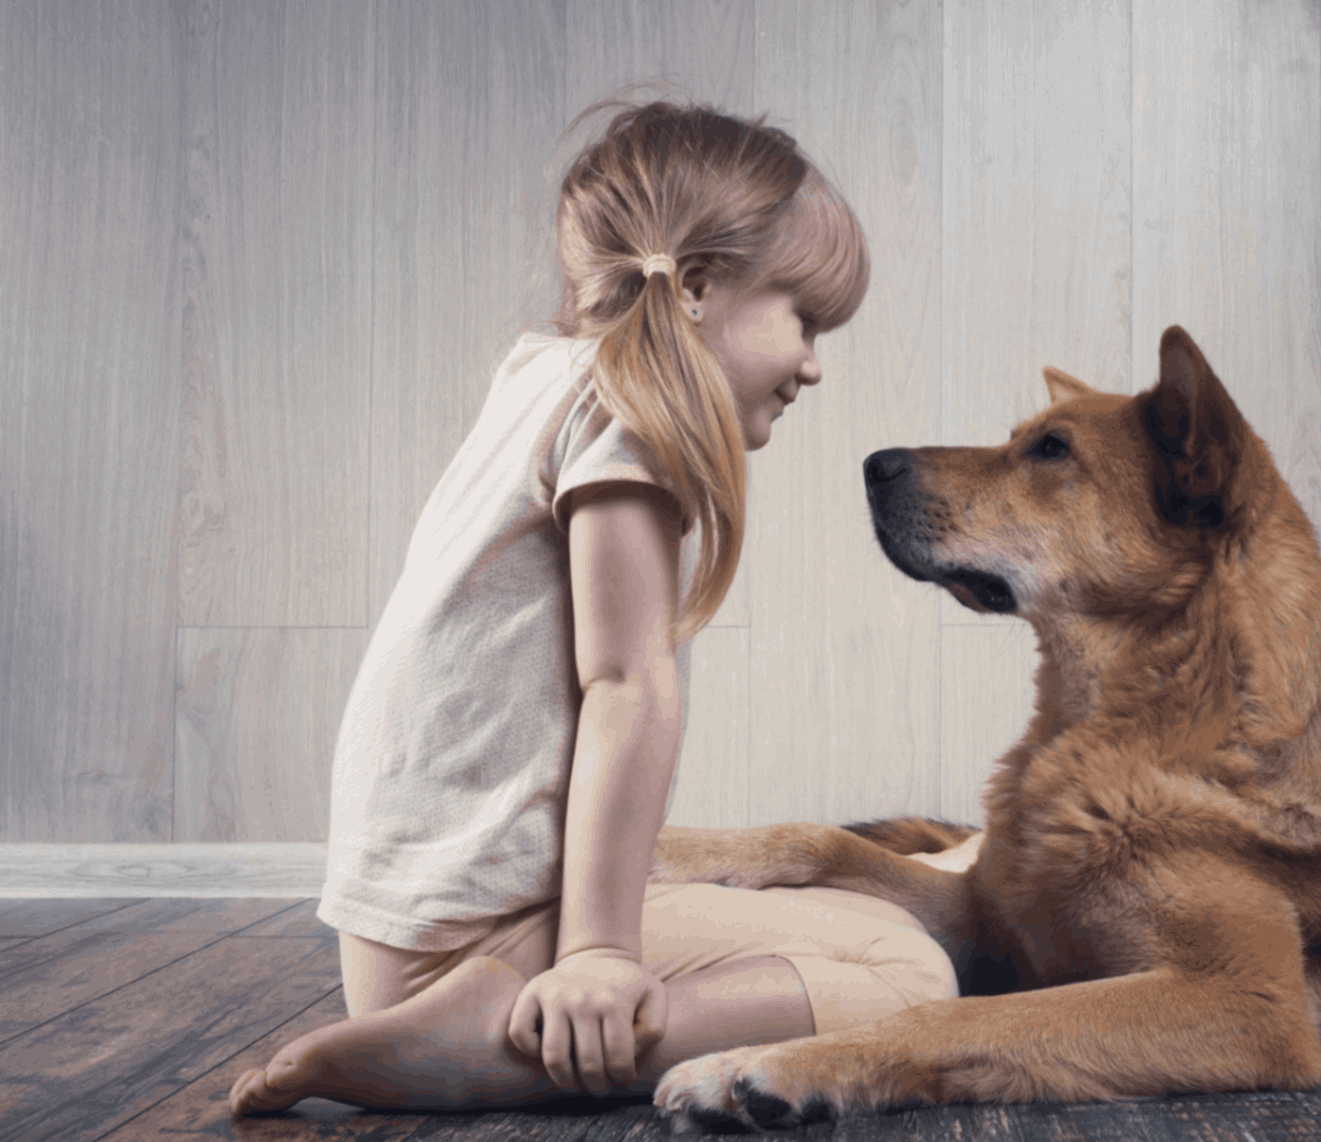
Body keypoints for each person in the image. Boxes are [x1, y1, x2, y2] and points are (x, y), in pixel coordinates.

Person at [229, 96, 957, 1116]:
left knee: (858, 916)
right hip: (473, 944)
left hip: (404, 931)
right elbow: (624, 685)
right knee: (909, 975)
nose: (813, 362)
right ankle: (490, 1048)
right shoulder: (633, 410)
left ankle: (480, 1008)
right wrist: (602, 951)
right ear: (696, 287)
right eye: (802, 316)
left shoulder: (545, 374)